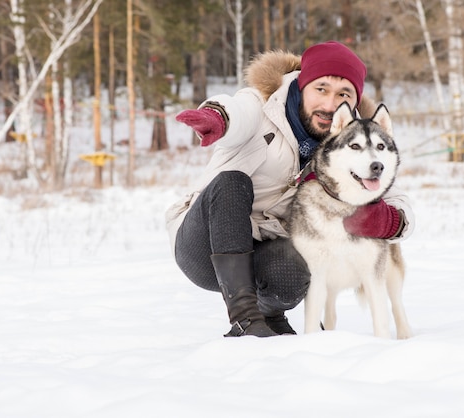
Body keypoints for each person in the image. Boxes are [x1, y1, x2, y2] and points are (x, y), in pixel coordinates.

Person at [165, 41, 415, 337]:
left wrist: (389, 219)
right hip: (205, 241)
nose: (329, 104)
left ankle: (270, 314)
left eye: (343, 94)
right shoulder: (263, 105)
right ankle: (246, 319)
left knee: (300, 261)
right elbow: (237, 112)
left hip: (268, 247)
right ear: (302, 84)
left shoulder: (356, 139)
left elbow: (396, 198)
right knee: (232, 180)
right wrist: (217, 118)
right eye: (321, 89)